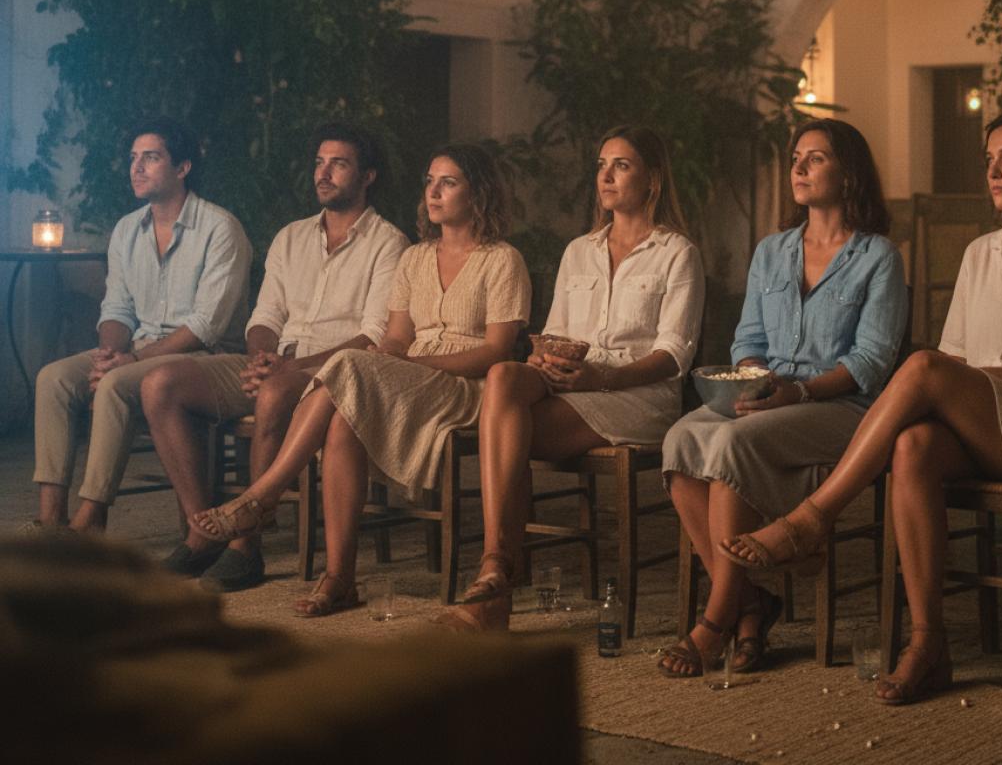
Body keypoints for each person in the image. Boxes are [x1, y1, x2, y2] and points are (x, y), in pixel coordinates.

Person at [719, 107, 1002, 705]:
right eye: (989, 160)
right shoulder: (981, 253)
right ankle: (928, 643)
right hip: (987, 425)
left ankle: (813, 518)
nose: (993, 171)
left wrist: (985, 378)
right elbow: (957, 360)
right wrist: (972, 381)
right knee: (912, 445)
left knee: (923, 366)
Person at [187, 143, 531, 616]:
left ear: (479, 193)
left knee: (347, 366)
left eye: (448, 182)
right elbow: (394, 339)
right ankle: (340, 578)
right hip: (412, 376)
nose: (434, 192)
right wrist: (389, 360)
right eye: (430, 181)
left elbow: (498, 351)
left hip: (467, 386)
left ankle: (262, 495)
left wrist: (410, 365)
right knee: (343, 420)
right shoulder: (415, 258)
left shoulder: (502, 259)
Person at [657, 119, 907, 677]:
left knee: (733, 443)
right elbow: (748, 340)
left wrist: (797, 390)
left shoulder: (879, 257)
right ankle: (754, 601)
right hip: (770, 395)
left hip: (841, 407)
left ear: (848, 174)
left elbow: (871, 362)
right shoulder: (771, 251)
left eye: (815, 158)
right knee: (681, 440)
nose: (798, 167)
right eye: (797, 157)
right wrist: (751, 378)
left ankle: (718, 619)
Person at [437, 125, 706, 632]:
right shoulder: (578, 250)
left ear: (652, 180)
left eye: (621, 165)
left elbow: (675, 355)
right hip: (573, 382)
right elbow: (556, 331)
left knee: (503, 435)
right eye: (602, 165)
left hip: (638, 396)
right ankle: (496, 572)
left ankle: (494, 578)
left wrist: (601, 377)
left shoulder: (677, 252)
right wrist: (545, 357)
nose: (605, 175)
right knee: (504, 375)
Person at [141, 123, 408, 591]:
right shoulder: (291, 237)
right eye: (319, 163)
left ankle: (246, 546)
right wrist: (264, 356)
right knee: (159, 384)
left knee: (274, 392)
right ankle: (201, 531)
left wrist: (289, 369)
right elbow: (264, 316)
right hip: (271, 362)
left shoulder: (390, 243)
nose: (323, 174)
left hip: (330, 372)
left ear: (367, 176)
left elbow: (372, 337)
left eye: (338, 164)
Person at [31, 118, 251, 533]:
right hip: (139, 348)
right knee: (53, 379)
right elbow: (116, 308)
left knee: (116, 384)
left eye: (151, 158)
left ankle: (88, 519)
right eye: (134, 158)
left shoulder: (221, 228)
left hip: (201, 356)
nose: (137, 168)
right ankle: (49, 519)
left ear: (182, 167)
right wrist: (109, 354)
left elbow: (205, 326)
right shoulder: (128, 229)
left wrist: (127, 361)